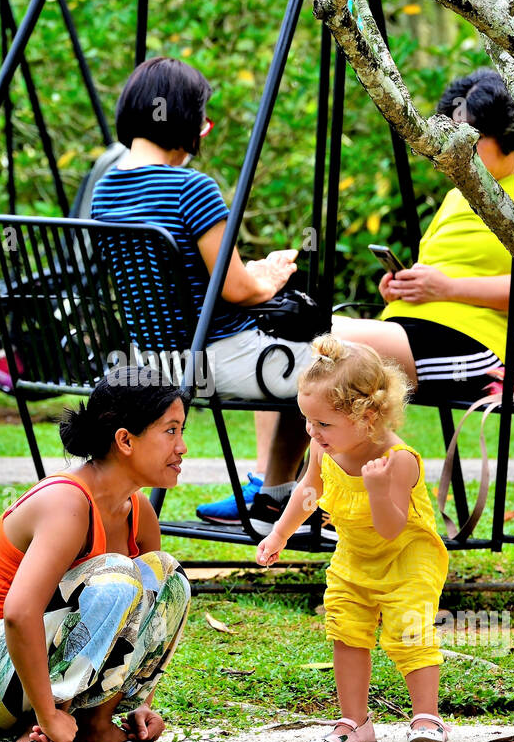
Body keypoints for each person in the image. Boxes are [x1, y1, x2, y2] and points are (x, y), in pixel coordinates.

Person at [91, 57, 334, 536]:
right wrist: (271, 276)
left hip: (153, 361)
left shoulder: (106, 191)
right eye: (202, 120)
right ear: (183, 120)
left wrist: (252, 275)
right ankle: (325, 506)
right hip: (215, 359)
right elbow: (236, 287)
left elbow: (170, 280)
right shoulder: (191, 187)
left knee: (301, 355)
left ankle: (276, 496)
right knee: (344, 368)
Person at [0, 367, 192, 742]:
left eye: (181, 432)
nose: (181, 447)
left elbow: (142, 616)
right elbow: (18, 613)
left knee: (167, 577)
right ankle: (44, 726)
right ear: (125, 440)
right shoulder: (67, 502)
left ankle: (95, 724)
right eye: (170, 431)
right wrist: (47, 713)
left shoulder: (139, 511)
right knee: (118, 577)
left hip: (34, 674)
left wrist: (141, 704)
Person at [256, 335, 451, 742]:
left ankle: (426, 715)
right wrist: (280, 533)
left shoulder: (397, 460)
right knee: (346, 630)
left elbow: (391, 529)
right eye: (308, 419)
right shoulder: (325, 448)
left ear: (369, 416)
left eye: (323, 423)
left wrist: (378, 490)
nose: (313, 431)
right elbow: (308, 490)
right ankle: (354, 721)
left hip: (407, 556)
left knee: (408, 632)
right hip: (354, 555)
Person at [335, 68, 514, 400]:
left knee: (316, 342)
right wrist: (402, 286)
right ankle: (282, 457)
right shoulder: (457, 195)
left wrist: (447, 288)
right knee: (290, 353)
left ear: (510, 135)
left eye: (469, 137)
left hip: (472, 346)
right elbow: (436, 271)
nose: (455, 146)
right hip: (407, 331)